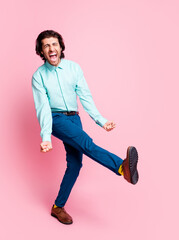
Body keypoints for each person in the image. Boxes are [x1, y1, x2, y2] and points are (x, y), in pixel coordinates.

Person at [32, 30, 139, 225]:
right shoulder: (39, 76)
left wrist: (101, 120)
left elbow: (85, 96)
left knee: (74, 164)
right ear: (41, 50)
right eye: (46, 45)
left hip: (74, 117)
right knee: (86, 143)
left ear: (61, 47)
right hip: (55, 118)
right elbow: (42, 109)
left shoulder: (74, 68)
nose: (51, 48)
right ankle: (122, 168)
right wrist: (46, 136)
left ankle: (57, 207)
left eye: (54, 44)